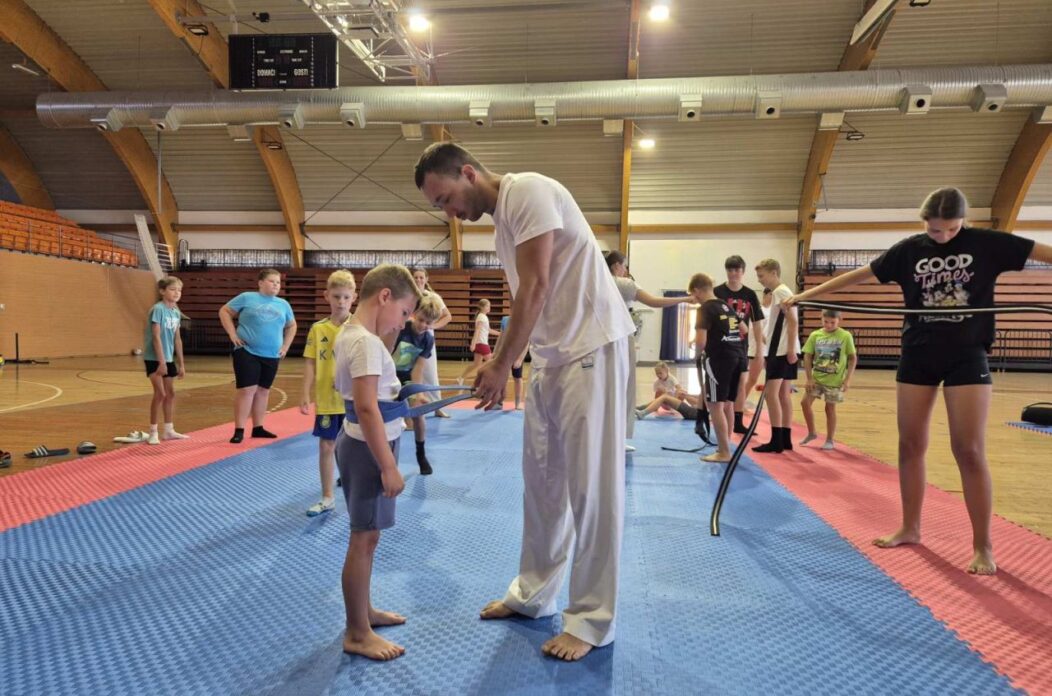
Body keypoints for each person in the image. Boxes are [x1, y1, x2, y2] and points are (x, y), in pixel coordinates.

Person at [416, 141, 634, 661]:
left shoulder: (530, 191)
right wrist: (516, 361)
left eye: (446, 198)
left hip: (591, 349)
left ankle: (591, 619)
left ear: (468, 173)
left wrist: (500, 365)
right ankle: (534, 594)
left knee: (591, 490)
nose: (449, 213)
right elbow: (534, 300)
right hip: (552, 358)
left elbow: (535, 287)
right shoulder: (501, 223)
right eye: (439, 206)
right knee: (542, 483)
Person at [787, 187, 1052, 575]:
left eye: (948, 229)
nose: (941, 236)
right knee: (910, 444)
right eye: (934, 229)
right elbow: (859, 276)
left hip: (967, 355)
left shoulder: (988, 243)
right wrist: (804, 295)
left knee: (969, 450)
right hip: (918, 354)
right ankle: (910, 527)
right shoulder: (909, 250)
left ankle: (983, 546)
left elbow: (1042, 252)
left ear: (962, 219)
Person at [333, 263, 422, 661]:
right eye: (404, 312)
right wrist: (388, 465)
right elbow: (367, 408)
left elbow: (374, 397)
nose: (404, 322)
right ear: (384, 296)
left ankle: (363, 613)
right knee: (363, 538)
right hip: (369, 449)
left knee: (369, 536)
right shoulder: (365, 342)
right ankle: (356, 631)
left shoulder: (359, 336)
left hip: (365, 444)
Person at [604, 250, 690, 449]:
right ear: (617, 265)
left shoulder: (594, 281)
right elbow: (653, 301)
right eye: (624, 266)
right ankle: (617, 440)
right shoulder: (623, 284)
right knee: (622, 391)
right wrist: (683, 299)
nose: (626, 270)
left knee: (603, 391)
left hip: (598, 341)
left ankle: (603, 438)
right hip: (619, 340)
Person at [300, 270, 356, 517]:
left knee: (353, 447)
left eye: (346, 296)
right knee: (326, 446)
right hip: (326, 400)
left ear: (353, 297)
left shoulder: (359, 328)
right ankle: (327, 497)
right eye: (336, 296)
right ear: (327, 296)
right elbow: (310, 362)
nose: (341, 301)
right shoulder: (317, 329)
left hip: (353, 400)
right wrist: (305, 393)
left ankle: (356, 488)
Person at [218, 269, 297, 444]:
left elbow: (292, 326)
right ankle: (239, 429)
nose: (276, 284)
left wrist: (285, 346)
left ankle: (258, 428)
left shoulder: (283, 304)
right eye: (271, 281)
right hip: (247, 351)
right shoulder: (247, 297)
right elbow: (224, 311)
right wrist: (232, 334)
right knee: (246, 390)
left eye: (278, 282)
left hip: (271, 354)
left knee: (263, 391)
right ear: (260, 283)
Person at [689, 273, 743, 463]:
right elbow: (743, 330)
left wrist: (697, 354)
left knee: (714, 406)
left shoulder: (704, 309)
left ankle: (724, 452)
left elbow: (702, 341)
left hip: (719, 360)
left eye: (694, 296)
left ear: (696, 291)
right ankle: (726, 443)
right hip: (736, 356)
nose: (694, 300)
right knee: (727, 403)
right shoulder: (726, 305)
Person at [392, 294, 445, 475]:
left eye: (428, 323)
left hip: (406, 375)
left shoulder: (428, 340)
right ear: (415, 314)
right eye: (421, 320)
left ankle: (421, 454)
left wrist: (418, 392)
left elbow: (418, 368)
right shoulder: (401, 328)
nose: (423, 325)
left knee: (419, 413)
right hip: (388, 374)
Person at [751, 259, 799, 454]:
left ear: (773, 273)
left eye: (761, 276)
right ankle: (785, 438)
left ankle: (776, 440)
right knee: (783, 395)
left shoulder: (780, 292)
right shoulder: (783, 292)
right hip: (782, 348)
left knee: (772, 395)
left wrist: (789, 349)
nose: (760, 280)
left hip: (781, 351)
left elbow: (793, 322)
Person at [714, 255, 765, 434]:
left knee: (741, 383)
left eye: (737, 270)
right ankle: (719, 420)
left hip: (741, 347)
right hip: (721, 346)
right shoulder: (718, 292)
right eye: (730, 270)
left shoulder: (750, 294)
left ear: (743, 272)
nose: (733, 273)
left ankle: (738, 421)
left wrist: (759, 349)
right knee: (723, 385)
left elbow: (757, 322)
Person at [800, 309, 857, 451]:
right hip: (817, 378)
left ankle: (830, 439)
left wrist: (847, 379)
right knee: (804, 403)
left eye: (832, 322)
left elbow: (852, 358)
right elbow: (807, 356)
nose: (829, 325)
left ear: (839, 320)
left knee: (829, 408)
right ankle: (812, 432)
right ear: (821, 318)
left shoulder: (845, 336)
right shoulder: (815, 335)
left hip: (835, 381)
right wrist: (809, 378)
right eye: (826, 322)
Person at [143, 276, 187, 445]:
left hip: (168, 357)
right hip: (154, 357)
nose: (177, 293)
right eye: (172, 289)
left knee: (170, 393)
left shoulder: (176, 312)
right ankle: (153, 431)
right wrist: (161, 362)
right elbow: (155, 337)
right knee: (160, 394)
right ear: (162, 291)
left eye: (179, 290)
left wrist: (181, 364)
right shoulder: (158, 309)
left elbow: (177, 339)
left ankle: (168, 430)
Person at [412, 268, 455, 418]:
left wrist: (432, 326)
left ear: (426, 279)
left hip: (426, 338)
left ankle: (437, 407)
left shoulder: (433, 297)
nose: (418, 280)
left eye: (421, 277)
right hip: (408, 338)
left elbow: (447, 316)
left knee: (430, 373)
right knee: (407, 373)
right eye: (416, 277)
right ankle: (410, 408)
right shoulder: (407, 295)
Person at [458, 298, 500, 384]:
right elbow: (477, 330)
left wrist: (500, 334)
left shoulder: (483, 316)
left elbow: (488, 330)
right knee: (490, 363)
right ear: (482, 307)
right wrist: (473, 344)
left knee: (476, 364)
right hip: (482, 343)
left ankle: (461, 377)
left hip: (480, 343)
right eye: (488, 306)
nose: (489, 307)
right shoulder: (482, 317)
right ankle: (484, 380)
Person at [743, 288, 773, 399]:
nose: (773, 297)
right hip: (756, 348)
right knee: (752, 379)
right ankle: (740, 404)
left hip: (769, 349)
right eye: (771, 294)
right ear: (765, 294)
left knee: (771, 379)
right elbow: (755, 329)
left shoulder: (772, 310)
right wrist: (765, 340)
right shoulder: (758, 309)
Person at [496, 312, 529, 410]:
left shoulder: (523, 320)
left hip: (516, 354)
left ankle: (518, 402)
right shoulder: (505, 319)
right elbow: (500, 337)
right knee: (501, 378)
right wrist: (495, 351)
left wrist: (520, 359)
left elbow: (527, 341)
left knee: (517, 378)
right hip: (504, 353)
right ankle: (499, 401)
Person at [635, 385, 701, 421]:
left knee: (664, 397)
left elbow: (699, 403)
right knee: (664, 397)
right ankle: (641, 409)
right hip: (693, 412)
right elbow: (698, 399)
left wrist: (687, 396)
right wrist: (687, 395)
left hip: (695, 413)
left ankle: (642, 413)